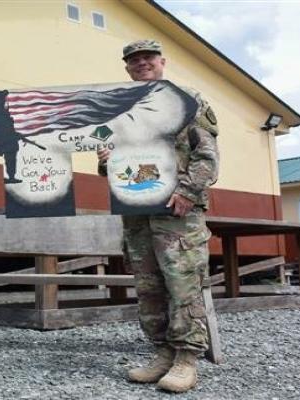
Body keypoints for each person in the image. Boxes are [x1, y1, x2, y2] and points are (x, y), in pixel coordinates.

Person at [97, 39, 219, 393]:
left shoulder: (188, 99)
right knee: (148, 284)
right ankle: (163, 352)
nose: (141, 63)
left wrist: (188, 192)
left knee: (182, 281)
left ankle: (186, 358)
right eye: (134, 60)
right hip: (136, 210)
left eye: (148, 57)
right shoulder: (121, 110)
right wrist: (106, 160)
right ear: (127, 68)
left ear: (162, 61)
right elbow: (110, 163)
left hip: (176, 208)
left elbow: (206, 154)